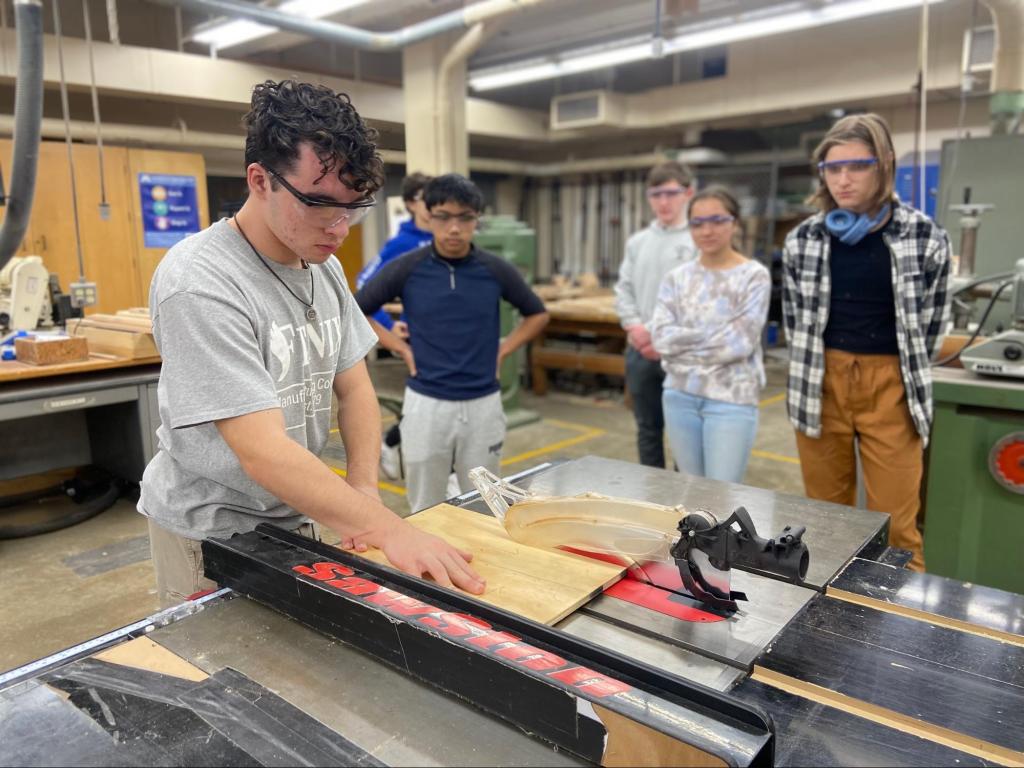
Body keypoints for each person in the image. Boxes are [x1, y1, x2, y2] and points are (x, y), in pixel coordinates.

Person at [139, 80, 484, 608]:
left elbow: (355, 390)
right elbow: (263, 452)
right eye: (320, 203)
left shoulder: (321, 266)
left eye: (353, 207)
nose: (339, 227)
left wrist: (363, 494)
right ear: (260, 180)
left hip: (297, 513)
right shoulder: (199, 280)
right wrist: (391, 530)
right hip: (211, 529)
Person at [782, 112, 951, 572]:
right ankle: (829, 619)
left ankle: (904, 627)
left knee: (898, 525)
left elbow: (934, 323)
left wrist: (900, 372)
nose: (843, 179)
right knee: (827, 517)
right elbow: (797, 323)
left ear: (885, 165)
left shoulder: (923, 235)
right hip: (821, 382)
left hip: (891, 385)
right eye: (832, 169)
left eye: (857, 166)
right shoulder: (804, 240)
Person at [355, 174, 549, 513]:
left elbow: (537, 314)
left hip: (483, 403)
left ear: (476, 220)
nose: (454, 228)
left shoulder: (495, 270)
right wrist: (400, 348)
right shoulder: (407, 268)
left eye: (464, 218)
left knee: (485, 500)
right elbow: (357, 309)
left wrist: (504, 349)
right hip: (426, 404)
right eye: (444, 217)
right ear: (428, 217)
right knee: (425, 502)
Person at [649, 187, 771, 483]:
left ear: (735, 223)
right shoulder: (676, 279)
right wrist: (713, 334)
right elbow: (662, 337)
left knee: (722, 494)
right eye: (698, 223)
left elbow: (739, 344)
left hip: (730, 399)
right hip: (679, 396)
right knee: (692, 493)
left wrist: (684, 341)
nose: (707, 230)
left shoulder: (753, 276)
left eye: (717, 220)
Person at [614, 161, 697, 468]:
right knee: (648, 430)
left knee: (684, 434)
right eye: (656, 194)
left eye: (671, 193)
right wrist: (635, 327)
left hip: (682, 354)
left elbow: (697, 299)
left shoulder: (696, 241)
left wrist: (661, 337)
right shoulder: (638, 243)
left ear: (688, 193)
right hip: (640, 349)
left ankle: (686, 507)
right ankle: (653, 497)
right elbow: (624, 290)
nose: (663, 202)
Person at [354, 172, 433, 481]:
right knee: (429, 403)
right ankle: (391, 444)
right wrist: (390, 326)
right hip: (420, 340)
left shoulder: (446, 238)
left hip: (450, 337)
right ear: (413, 203)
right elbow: (364, 283)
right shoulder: (402, 244)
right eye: (430, 199)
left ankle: (396, 444)